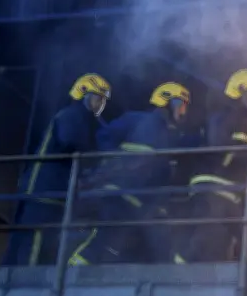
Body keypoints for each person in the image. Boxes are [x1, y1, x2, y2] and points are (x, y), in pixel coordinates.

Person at [68, 82, 191, 265]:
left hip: (141, 204)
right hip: (119, 194)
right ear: (166, 102)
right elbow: (103, 137)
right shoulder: (136, 119)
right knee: (104, 239)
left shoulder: (173, 136)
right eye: (180, 105)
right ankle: (73, 270)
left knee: (139, 246)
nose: (183, 111)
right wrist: (118, 162)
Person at [5, 73, 111, 266]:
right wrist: (98, 155)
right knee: (33, 246)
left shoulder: (83, 120)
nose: (100, 104)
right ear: (84, 94)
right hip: (43, 193)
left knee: (40, 246)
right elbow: (71, 142)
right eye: (98, 98)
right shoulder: (71, 115)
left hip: (51, 194)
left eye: (103, 100)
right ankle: (26, 281)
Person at [173, 69, 247, 263]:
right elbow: (219, 145)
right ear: (242, 92)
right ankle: (176, 273)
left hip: (231, 192)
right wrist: (245, 152)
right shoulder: (223, 116)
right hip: (213, 187)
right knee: (204, 240)